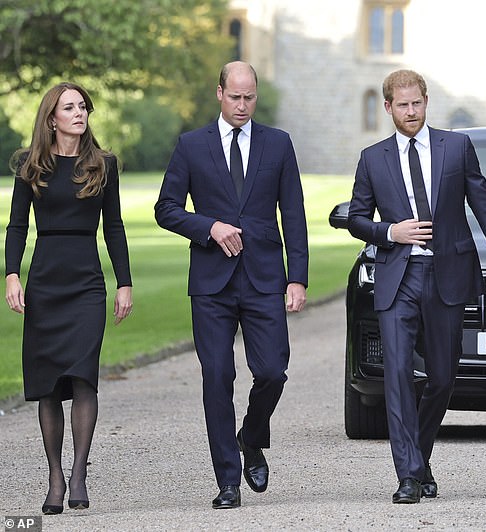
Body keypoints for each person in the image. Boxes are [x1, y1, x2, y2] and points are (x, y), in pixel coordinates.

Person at [347, 69, 486, 504]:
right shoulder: (372, 158)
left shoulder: (456, 147)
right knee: (398, 376)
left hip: (446, 276)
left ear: (427, 102)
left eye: (417, 104)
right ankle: (408, 475)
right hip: (397, 278)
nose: (411, 112)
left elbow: (485, 209)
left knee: (443, 377)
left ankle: (419, 456)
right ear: (387, 107)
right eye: (402, 105)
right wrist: (392, 232)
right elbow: (355, 219)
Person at [154, 61, 308, 509]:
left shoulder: (278, 144)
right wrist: (209, 227)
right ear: (219, 93)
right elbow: (166, 208)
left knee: (272, 372)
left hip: (263, 279)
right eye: (235, 96)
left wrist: (296, 277)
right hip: (211, 282)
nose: (242, 106)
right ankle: (227, 480)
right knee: (217, 375)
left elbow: (294, 216)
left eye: (250, 97)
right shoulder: (190, 146)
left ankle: (252, 435)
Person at [4, 82, 133, 515]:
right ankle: (55, 476)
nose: (79, 113)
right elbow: (17, 226)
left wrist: (125, 283)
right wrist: (11, 276)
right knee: (48, 384)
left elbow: (113, 227)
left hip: (86, 284)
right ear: (52, 117)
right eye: (70, 108)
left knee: (82, 376)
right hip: (45, 281)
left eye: (83, 107)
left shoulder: (103, 165)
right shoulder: (29, 165)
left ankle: (78, 473)